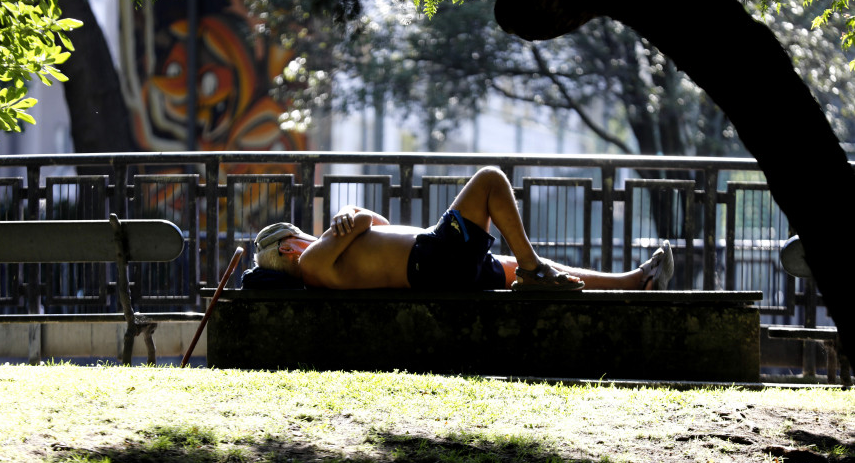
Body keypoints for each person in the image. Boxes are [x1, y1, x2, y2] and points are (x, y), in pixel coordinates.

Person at [253, 166, 673, 291]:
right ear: (288, 248)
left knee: (521, 263)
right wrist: (350, 216)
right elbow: (365, 221)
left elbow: (374, 222)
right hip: (430, 261)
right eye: (296, 235)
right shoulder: (310, 262)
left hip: (439, 265)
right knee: (490, 180)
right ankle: (532, 273)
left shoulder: (329, 251)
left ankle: (633, 281)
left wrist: (351, 213)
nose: (304, 235)